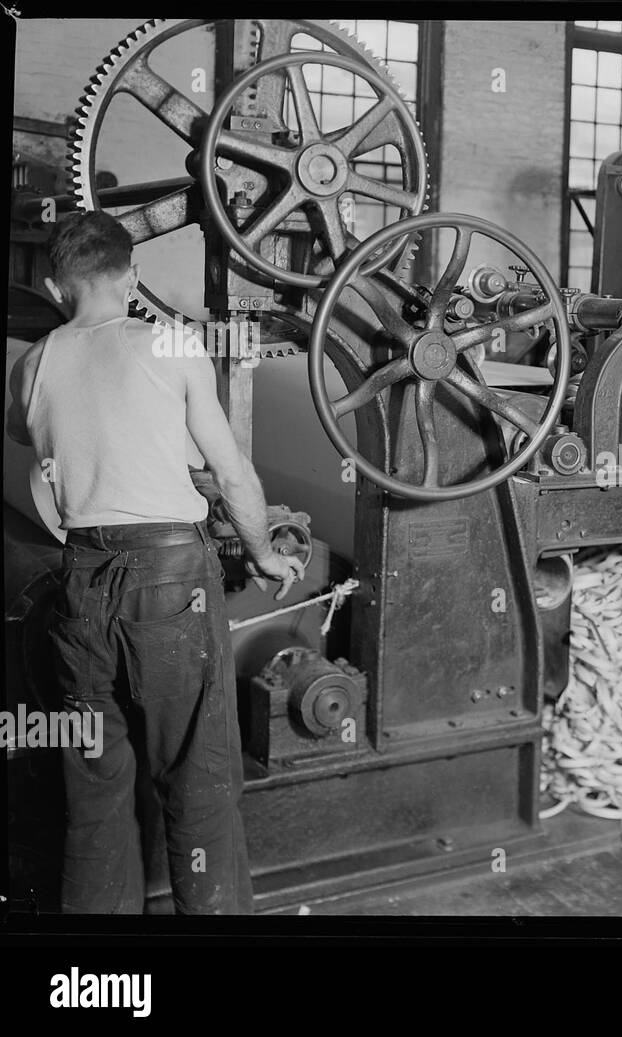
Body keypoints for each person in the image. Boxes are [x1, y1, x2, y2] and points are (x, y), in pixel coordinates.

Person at [5, 211, 304, 913]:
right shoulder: (171, 344)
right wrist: (262, 554)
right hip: (170, 583)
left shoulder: (33, 360)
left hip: (81, 585)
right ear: (131, 275)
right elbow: (231, 473)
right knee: (197, 782)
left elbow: (32, 429)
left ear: (55, 285)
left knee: (95, 793)